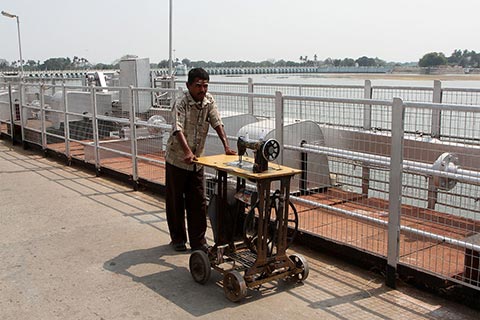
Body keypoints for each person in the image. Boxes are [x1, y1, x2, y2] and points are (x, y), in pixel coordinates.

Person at [165, 68, 236, 252]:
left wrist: (226, 146)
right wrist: (187, 152)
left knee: (198, 202)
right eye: (198, 86)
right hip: (177, 159)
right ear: (188, 85)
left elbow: (217, 122)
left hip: (197, 162)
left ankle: (198, 241)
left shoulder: (209, 101)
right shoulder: (181, 103)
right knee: (175, 202)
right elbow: (176, 128)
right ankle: (178, 239)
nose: (202, 90)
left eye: (205, 86)